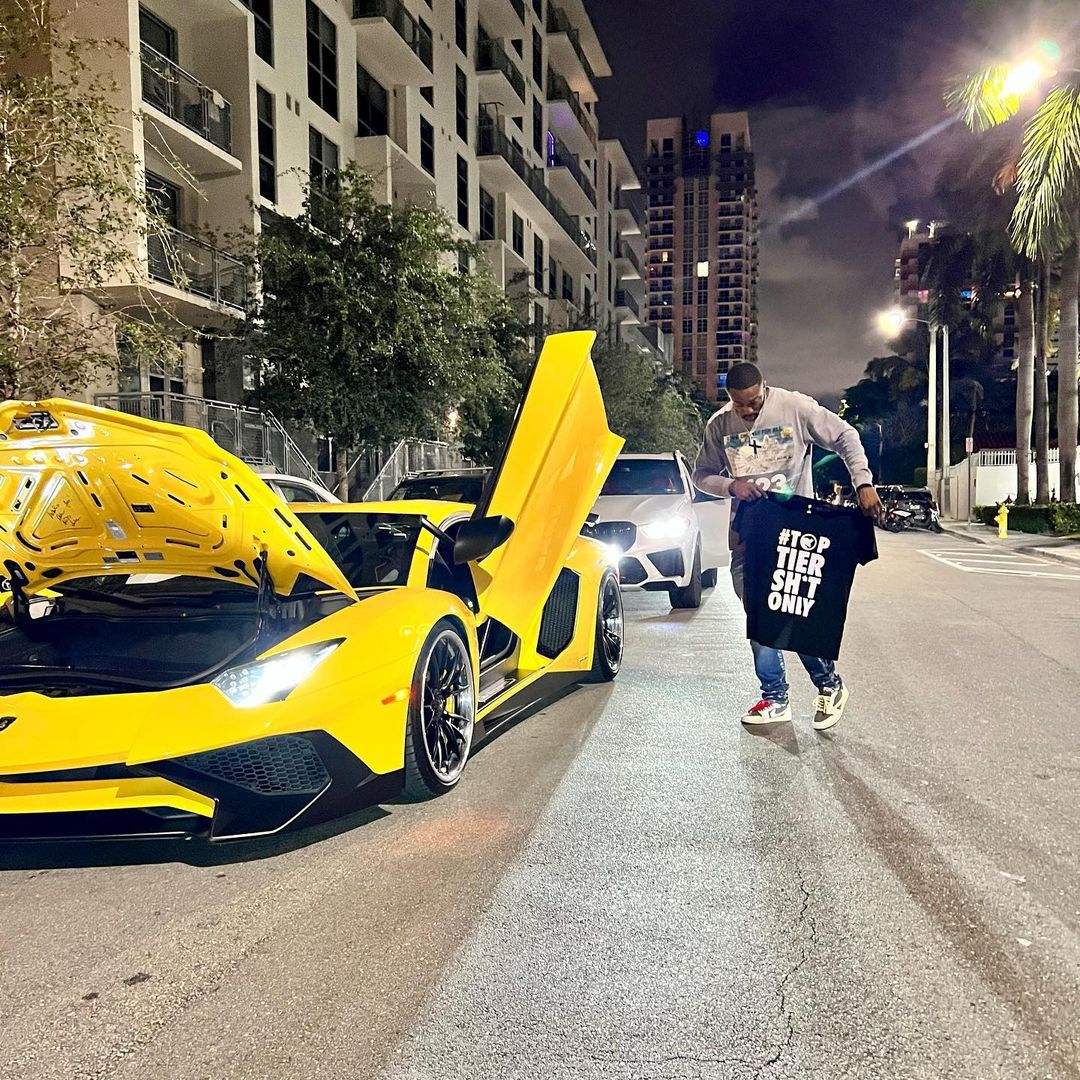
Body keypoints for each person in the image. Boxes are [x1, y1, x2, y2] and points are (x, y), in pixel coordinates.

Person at [693, 362, 883, 730]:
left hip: (794, 532)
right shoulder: (719, 425)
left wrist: (862, 482)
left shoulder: (795, 407)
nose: (748, 411)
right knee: (759, 618)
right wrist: (731, 486)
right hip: (749, 536)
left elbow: (845, 436)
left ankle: (830, 685)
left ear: (764, 387)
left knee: (796, 614)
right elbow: (701, 474)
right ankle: (775, 698)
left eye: (754, 402)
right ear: (729, 399)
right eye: (740, 405)